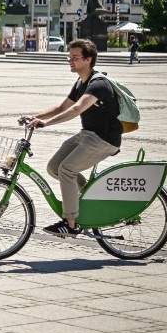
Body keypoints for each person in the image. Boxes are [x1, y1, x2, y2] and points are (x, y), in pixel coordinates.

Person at [25, 39, 121, 237]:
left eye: (75, 57)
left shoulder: (99, 84)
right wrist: (36, 117)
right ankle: (90, 194)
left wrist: (47, 124)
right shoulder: (80, 82)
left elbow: (77, 109)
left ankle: (70, 224)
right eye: (70, 57)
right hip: (88, 135)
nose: (70, 60)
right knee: (54, 167)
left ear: (88, 59)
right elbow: (62, 107)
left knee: (67, 169)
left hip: (104, 139)